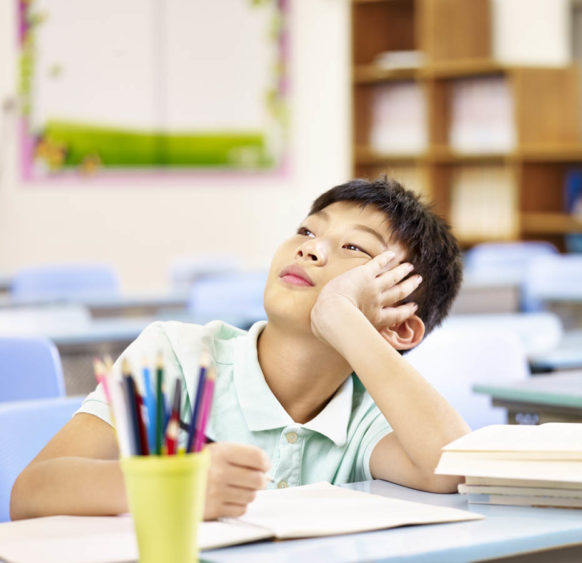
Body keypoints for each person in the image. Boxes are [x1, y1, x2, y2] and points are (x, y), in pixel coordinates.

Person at [10, 177, 468, 521]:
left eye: (354, 248)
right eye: (307, 232)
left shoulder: (370, 411)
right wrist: (173, 488)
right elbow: (31, 493)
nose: (311, 250)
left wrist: (342, 316)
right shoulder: (178, 355)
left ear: (400, 327)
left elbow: (452, 468)